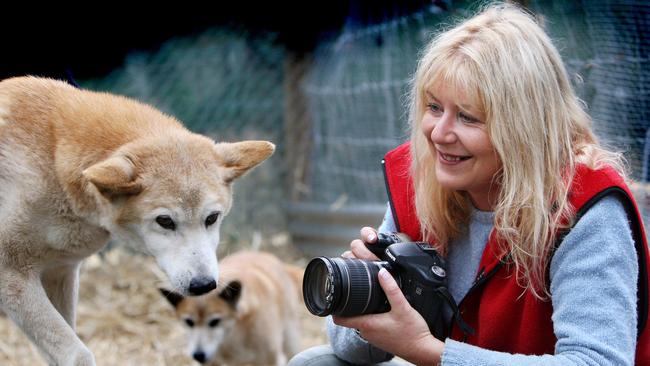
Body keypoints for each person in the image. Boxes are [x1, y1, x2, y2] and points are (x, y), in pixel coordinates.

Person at [289, 2, 650, 365]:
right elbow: (350, 348)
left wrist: (429, 352)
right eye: (433, 107)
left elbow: (599, 362)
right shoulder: (423, 177)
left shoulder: (586, 207)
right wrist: (376, 295)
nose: (440, 134)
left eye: (467, 116)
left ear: (521, 127)